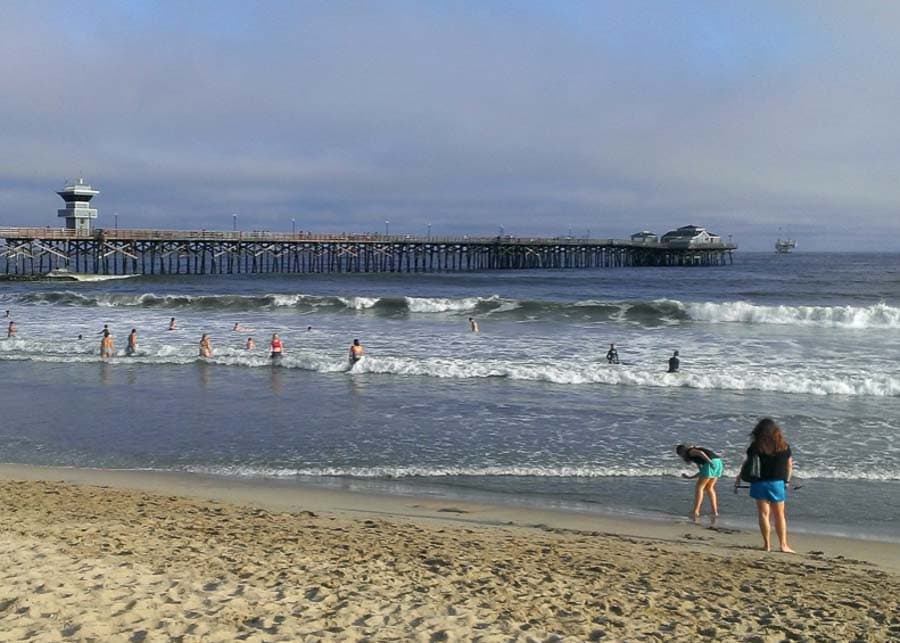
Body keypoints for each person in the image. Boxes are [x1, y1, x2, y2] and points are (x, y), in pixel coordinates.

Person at [735, 418, 795, 553]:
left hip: (759, 483)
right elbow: (789, 464)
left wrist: (739, 477)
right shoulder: (783, 445)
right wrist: (787, 481)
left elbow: (748, 463)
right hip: (776, 483)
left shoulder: (755, 446)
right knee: (779, 514)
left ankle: (766, 545)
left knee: (763, 514)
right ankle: (783, 545)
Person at [675, 444, 723, 522]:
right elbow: (702, 471)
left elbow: (701, 453)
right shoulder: (695, 458)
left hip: (711, 462)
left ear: (682, 452)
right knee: (709, 488)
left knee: (699, 488)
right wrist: (690, 477)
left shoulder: (690, 451)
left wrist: (709, 462)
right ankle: (714, 512)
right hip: (718, 462)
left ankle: (696, 511)